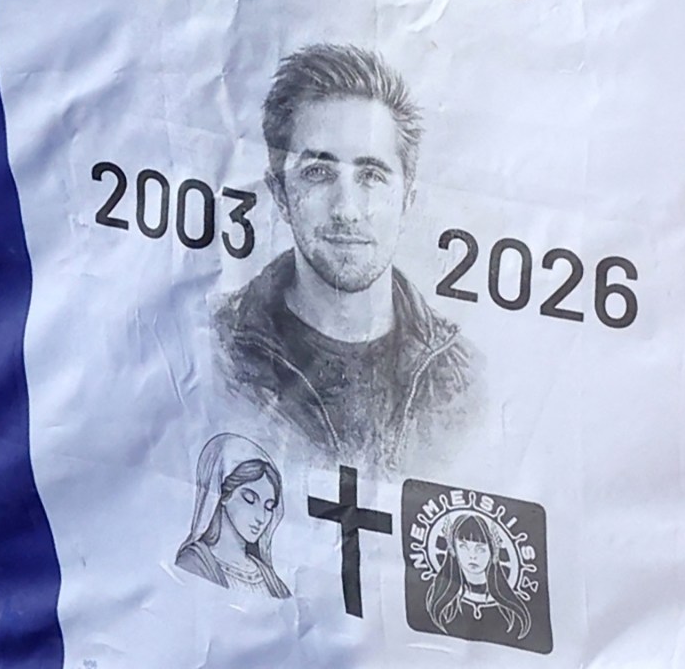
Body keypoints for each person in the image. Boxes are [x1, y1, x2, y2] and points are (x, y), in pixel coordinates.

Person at [213, 43, 478, 470]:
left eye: (371, 175)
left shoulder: (462, 379)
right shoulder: (213, 349)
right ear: (281, 194)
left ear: (407, 199)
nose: (346, 209)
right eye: (318, 172)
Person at [174, 433, 291, 598]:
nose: (261, 518)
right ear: (223, 495)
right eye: (250, 500)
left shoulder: (271, 581)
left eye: (269, 507)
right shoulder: (193, 564)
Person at [423, 512, 533, 644]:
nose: (472, 556)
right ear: (453, 549)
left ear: (493, 552)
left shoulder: (509, 611)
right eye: (463, 547)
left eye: (480, 549)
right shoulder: (441, 598)